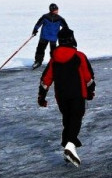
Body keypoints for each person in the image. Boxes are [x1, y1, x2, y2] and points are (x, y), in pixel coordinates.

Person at [37, 28, 95, 167]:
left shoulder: (53, 59)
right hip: (77, 94)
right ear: (72, 39)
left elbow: (46, 79)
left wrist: (41, 96)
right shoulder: (79, 56)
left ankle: (68, 148)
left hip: (61, 96)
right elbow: (88, 76)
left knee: (68, 120)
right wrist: (90, 91)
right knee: (76, 118)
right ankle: (70, 145)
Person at [31, 3, 69, 69]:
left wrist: (65, 33)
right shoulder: (45, 17)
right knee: (40, 49)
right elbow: (38, 24)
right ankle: (38, 61)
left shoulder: (60, 18)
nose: (57, 11)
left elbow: (65, 27)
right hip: (44, 36)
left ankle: (53, 62)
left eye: (57, 9)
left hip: (53, 38)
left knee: (53, 51)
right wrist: (35, 30)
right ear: (51, 10)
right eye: (55, 10)